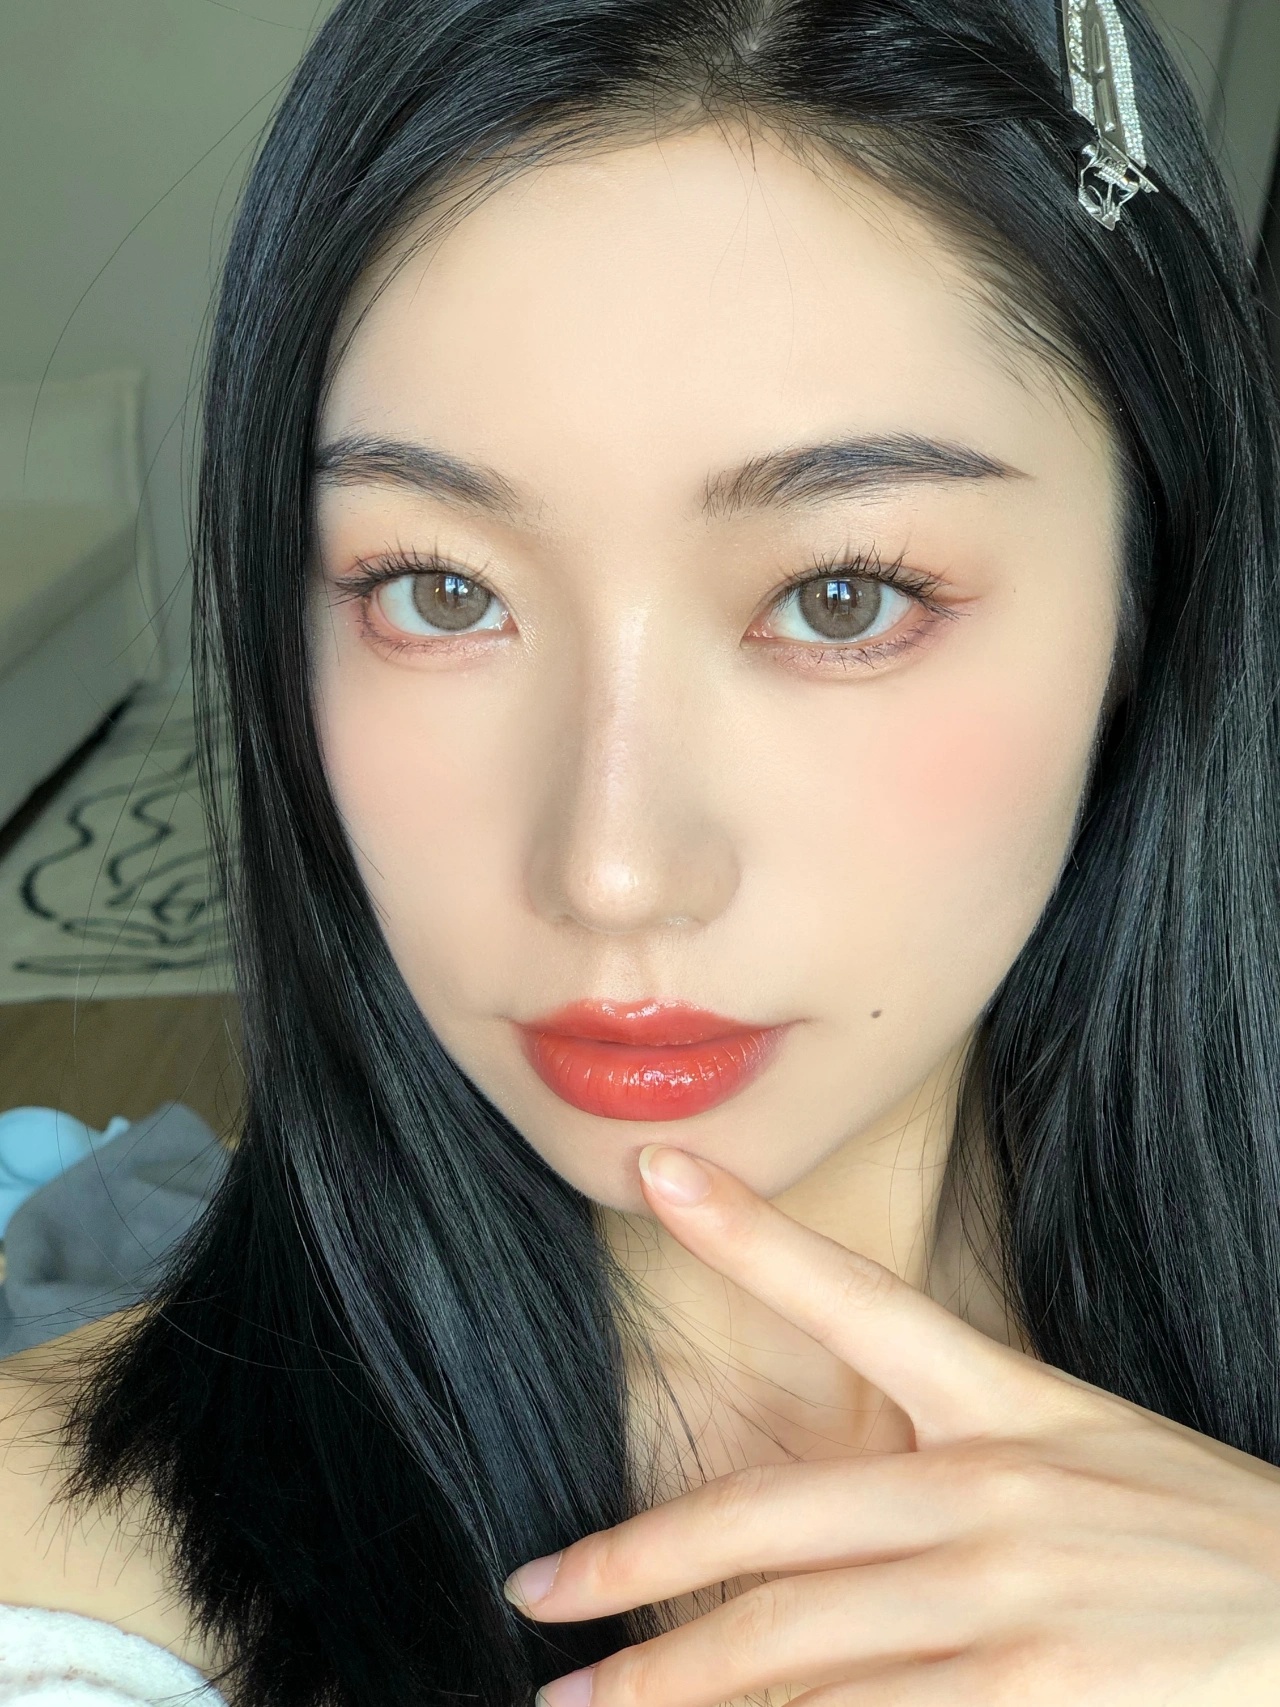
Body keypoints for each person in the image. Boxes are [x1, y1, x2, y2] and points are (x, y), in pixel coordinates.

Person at [4, 0, 1280, 1701]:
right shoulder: (61, 1582)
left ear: (1149, 591)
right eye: (437, 592)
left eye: (843, 597)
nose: (609, 872)